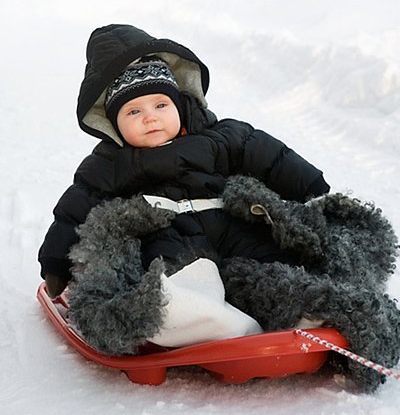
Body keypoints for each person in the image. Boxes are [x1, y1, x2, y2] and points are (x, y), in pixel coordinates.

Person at [39, 23, 330, 299]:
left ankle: (296, 302)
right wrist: (56, 264)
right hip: (167, 234)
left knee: (273, 257)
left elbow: (269, 155)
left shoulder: (220, 136)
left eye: (161, 105)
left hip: (230, 222)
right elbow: (75, 210)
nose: (150, 117)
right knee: (167, 274)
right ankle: (194, 312)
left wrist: (311, 186)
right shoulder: (109, 162)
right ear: (113, 125)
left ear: (179, 104)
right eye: (133, 112)